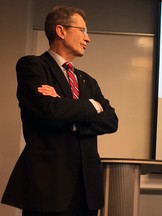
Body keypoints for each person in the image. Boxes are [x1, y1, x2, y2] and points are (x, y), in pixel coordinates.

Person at [2, 5, 118, 216]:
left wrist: (65, 109)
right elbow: (48, 110)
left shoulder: (87, 80)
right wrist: (92, 106)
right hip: (48, 187)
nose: (88, 38)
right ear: (61, 31)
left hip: (87, 191)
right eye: (82, 30)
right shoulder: (33, 66)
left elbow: (111, 120)